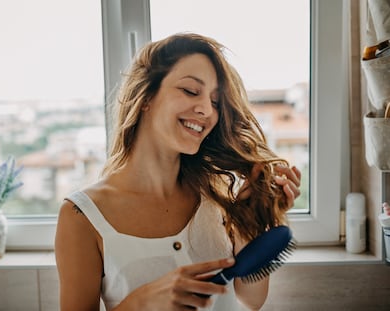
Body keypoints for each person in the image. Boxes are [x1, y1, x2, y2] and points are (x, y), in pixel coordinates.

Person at [55, 32, 301, 311]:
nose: (207, 110)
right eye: (190, 91)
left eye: (216, 102)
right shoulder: (83, 217)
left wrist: (253, 223)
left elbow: (248, 299)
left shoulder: (218, 193)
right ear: (146, 96)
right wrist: (141, 303)